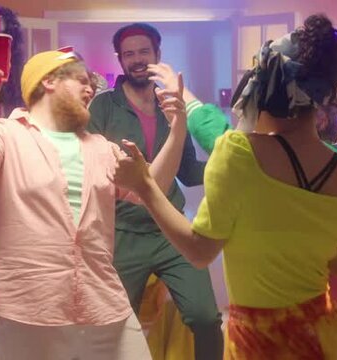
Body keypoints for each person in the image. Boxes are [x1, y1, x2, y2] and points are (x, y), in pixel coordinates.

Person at [111, 14, 337, 359]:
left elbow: (199, 252)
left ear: (263, 92)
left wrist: (144, 185)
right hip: (324, 337)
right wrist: (307, 244)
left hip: (259, 342)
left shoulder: (238, 155)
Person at [0, 47, 188, 359]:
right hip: (29, 310)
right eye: (81, 80)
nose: (91, 89)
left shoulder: (100, 147)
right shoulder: (5, 134)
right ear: (48, 81)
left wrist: (178, 128)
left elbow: (152, 190)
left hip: (103, 304)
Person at [151, 62, 337, 336]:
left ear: (317, 118)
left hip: (311, 314)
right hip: (331, 321)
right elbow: (218, 133)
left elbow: (199, 250)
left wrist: (146, 188)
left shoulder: (323, 169)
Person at [86, 23, 223, 360]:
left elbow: (189, 171)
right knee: (112, 324)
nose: (136, 59)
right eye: (128, 54)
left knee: (206, 319)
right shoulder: (101, 108)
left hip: (171, 232)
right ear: (119, 59)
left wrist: (233, 169)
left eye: (143, 52)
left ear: (157, 55)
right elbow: (91, 171)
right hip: (121, 234)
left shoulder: (170, 106)